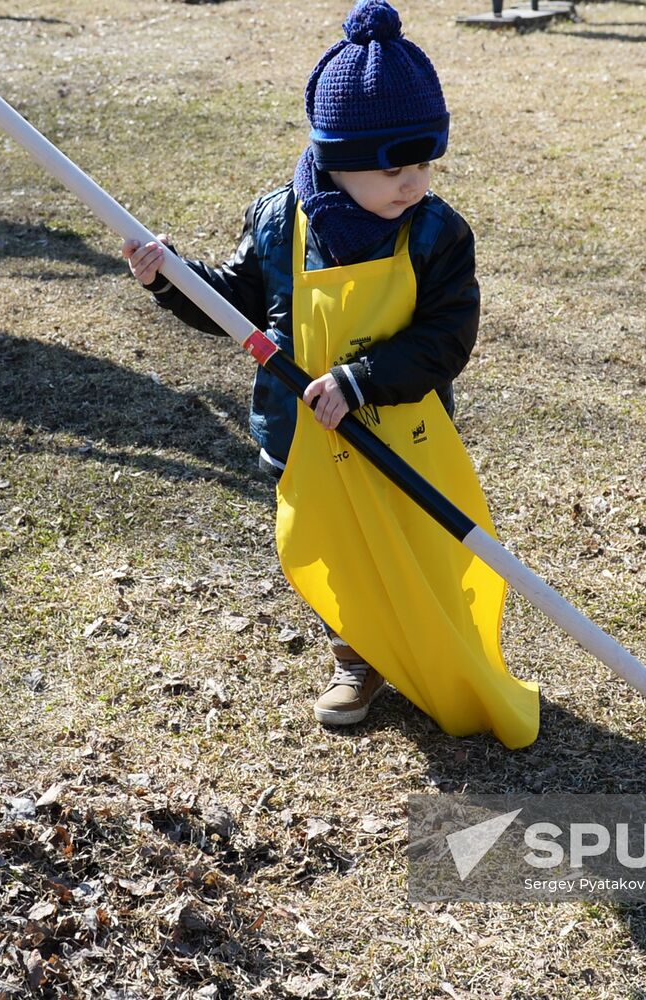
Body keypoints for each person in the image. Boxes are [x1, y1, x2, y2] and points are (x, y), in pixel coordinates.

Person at [123, 0, 538, 748]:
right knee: (333, 550)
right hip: (300, 434)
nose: (413, 182)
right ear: (336, 155)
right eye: (394, 167)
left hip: (400, 431)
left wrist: (362, 378)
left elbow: (447, 336)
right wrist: (170, 279)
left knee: (413, 547)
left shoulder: (437, 232)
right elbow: (233, 307)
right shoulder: (280, 221)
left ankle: (423, 645)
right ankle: (356, 659)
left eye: (425, 163)